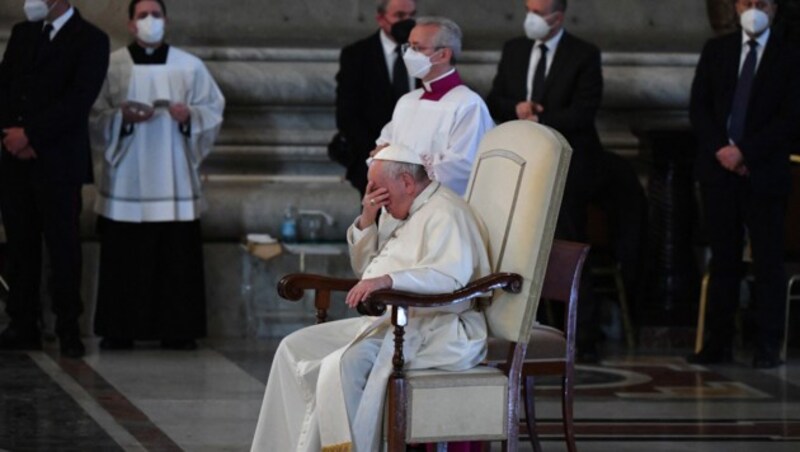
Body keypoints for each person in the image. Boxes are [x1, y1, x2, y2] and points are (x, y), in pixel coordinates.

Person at [251, 144, 491, 452]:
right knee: (292, 347)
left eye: (379, 188)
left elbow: (451, 282)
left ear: (406, 181)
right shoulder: (403, 209)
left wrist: (389, 281)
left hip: (438, 330)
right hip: (391, 323)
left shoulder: (447, 213)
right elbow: (366, 269)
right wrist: (368, 217)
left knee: (343, 364)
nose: (375, 196)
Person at [487, 0, 647, 358]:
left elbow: (584, 111)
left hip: (571, 166)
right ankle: (520, 326)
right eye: (528, 8)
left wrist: (542, 118)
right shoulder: (514, 50)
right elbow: (495, 99)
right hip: (523, 164)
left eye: (539, 12)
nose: (531, 17)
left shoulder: (582, 54)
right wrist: (516, 109)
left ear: (557, 17)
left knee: (568, 244)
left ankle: (582, 334)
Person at [89, 0, 225, 350]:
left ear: (166, 20)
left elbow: (212, 110)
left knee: (175, 260)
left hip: (174, 177)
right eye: (142, 15)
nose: (151, 21)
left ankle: (177, 329)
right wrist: (122, 118)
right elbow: (93, 115)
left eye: (156, 14)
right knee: (125, 257)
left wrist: (189, 116)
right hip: (128, 179)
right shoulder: (112, 65)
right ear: (131, 24)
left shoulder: (189, 66)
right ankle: (119, 328)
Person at [688, 0, 800, 369]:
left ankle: (767, 345)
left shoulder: (790, 55)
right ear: (736, 8)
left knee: (767, 262)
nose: (753, 9)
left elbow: (790, 117)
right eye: (746, 2)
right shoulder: (716, 50)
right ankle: (717, 344)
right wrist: (722, 150)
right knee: (724, 262)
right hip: (719, 171)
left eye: (761, 3)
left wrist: (745, 152)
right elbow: (700, 107)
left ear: (774, 9)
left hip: (763, 172)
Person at [0, 0, 109, 358]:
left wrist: (32, 136)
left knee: (63, 247)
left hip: (59, 161)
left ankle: (67, 327)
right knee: (20, 244)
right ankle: (22, 322)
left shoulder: (91, 39)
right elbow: (6, 88)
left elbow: (78, 100)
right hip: (15, 158)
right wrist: (11, 135)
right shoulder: (23, 33)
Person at [376, 16, 494, 196]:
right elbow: (383, 148)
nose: (409, 54)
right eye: (408, 47)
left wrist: (405, 172)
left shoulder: (468, 104)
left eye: (418, 48)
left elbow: (463, 165)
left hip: (440, 205)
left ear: (444, 54)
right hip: (398, 202)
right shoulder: (406, 101)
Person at [332, 0, 417, 197]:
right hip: (372, 160)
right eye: (400, 16)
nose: (408, 22)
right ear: (381, 18)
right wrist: (379, 153)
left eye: (412, 15)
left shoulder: (423, 51)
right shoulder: (357, 55)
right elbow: (347, 115)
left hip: (417, 162)